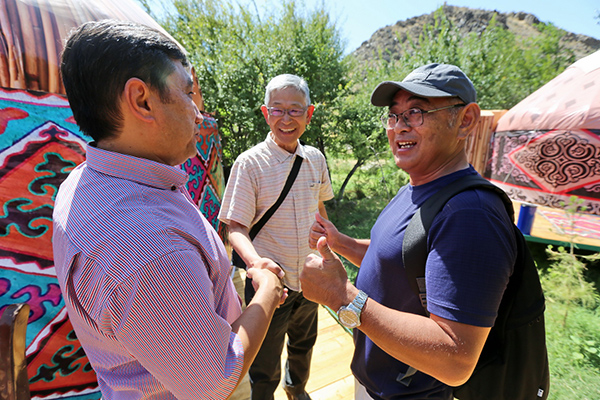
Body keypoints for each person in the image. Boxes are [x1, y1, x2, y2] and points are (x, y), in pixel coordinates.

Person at [53, 20, 285, 400]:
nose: (198, 114)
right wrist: (268, 293)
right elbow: (215, 380)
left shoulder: (85, 183)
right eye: (187, 92)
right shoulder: (147, 248)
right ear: (142, 99)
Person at [301, 63, 517, 400]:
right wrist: (342, 242)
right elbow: (400, 254)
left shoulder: (471, 215)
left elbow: (455, 360)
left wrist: (342, 296)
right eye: (394, 116)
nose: (398, 128)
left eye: (416, 113)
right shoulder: (419, 185)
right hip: (377, 381)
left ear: (466, 120)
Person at [218, 74, 334, 400]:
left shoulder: (316, 159)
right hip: (271, 287)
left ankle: (296, 389)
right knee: (263, 364)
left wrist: (330, 251)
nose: (286, 119)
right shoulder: (249, 163)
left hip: (310, 278)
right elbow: (234, 228)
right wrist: (257, 265)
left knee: (303, 345)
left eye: (295, 111)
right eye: (277, 110)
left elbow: (320, 210)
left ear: (309, 114)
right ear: (265, 113)